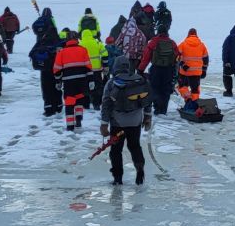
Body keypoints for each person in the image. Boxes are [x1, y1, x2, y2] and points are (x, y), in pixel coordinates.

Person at [99, 57, 153, 186]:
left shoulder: (112, 83)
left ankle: (118, 178)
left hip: (118, 123)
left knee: (116, 150)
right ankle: (140, 168)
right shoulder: (140, 80)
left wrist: (104, 123)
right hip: (135, 122)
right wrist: (147, 116)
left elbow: (106, 104)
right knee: (135, 146)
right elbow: (147, 101)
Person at [51, 34, 92, 128]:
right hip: (82, 80)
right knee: (79, 100)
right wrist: (91, 80)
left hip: (68, 82)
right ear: (76, 40)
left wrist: (58, 81)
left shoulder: (61, 52)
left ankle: (70, 126)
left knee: (69, 102)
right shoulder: (83, 50)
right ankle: (78, 120)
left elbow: (57, 69)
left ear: (67, 40)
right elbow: (88, 66)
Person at [140, 25, 180, 115]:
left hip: (156, 69)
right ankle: (163, 109)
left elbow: (146, 57)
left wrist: (141, 69)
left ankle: (157, 108)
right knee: (166, 89)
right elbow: (177, 56)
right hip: (168, 70)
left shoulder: (153, 42)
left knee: (155, 88)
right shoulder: (172, 43)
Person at [29, 21, 62, 116]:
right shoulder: (59, 41)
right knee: (57, 87)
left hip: (45, 69)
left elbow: (32, 52)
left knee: (46, 88)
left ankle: (48, 108)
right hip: (57, 69)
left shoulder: (42, 41)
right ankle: (58, 106)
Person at [176, 28, 209, 112]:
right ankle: (194, 105)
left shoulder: (183, 44)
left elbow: (176, 55)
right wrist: (204, 70)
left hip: (185, 72)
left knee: (182, 86)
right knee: (195, 90)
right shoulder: (202, 45)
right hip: (197, 72)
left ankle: (188, 100)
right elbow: (206, 58)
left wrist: (182, 64)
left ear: (188, 34)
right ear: (196, 34)